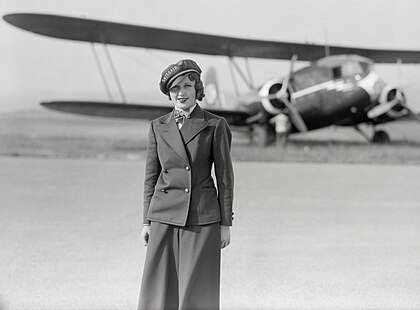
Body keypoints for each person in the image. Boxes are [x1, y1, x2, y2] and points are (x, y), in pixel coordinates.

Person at [138, 59, 234, 310]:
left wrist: (225, 223)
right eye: (174, 88)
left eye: (187, 86)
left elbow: (224, 178)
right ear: (169, 93)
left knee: (198, 291)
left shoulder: (215, 125)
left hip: (202, 217)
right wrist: (147, 221)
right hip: (163, 216)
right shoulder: (157, 127)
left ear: (197, 89)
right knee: (159, 290)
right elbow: (151, 177)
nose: (181, 93)